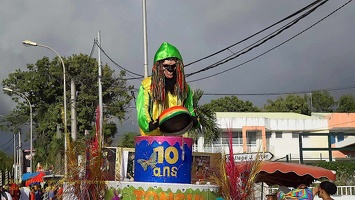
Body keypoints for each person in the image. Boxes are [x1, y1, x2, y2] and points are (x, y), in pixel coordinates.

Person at [136, 42, 199, 136]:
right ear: (159, 67)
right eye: (166, 66)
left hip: (177, 138)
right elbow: (142, 111)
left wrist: (194, 120)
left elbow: (189, 109)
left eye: (173, 66)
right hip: (153, 140)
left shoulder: (184, 88)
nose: (170, 69)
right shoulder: (147, 86)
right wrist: (150, 125)